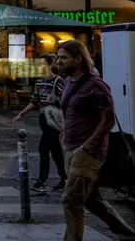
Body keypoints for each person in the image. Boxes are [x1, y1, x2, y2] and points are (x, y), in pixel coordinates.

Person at [56, 40, 135, 241]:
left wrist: (88, 146)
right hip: (71, 148)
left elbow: (108, 119)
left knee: (71, 200)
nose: (59, 61)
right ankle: (125, 232)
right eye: (58, 57)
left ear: (78, 58)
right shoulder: (67, 82)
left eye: (64, 58)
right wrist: (64, 138)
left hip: (88, 152)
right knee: (91, 199)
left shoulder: (95, 85)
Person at [12, 54, 66, 192]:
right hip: (44, 118)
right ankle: (63, 179)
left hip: (53, 120)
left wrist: (52, 102)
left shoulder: (58, 81)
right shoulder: (40, 81)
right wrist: (21, 114)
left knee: (45, 149)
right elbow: (34, 101)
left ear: (49, 65)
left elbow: (65, 101)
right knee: (54, 150)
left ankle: (42, 181)